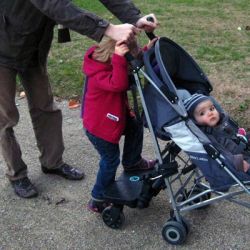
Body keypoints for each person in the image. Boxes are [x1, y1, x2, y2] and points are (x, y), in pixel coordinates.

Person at [0, 0, 158, 198]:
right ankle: (17, 175)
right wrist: (107, 29)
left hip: (32, 48)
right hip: (3, 47)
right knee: (5, 118)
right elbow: (54, 4)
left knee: (46, 107)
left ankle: (52, 162)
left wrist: (134, 17)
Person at [82, 37, 157, 213]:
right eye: (129, 57)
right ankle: (98, 197)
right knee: (110, 160)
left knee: (135, 126)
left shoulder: (112, 62)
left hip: (114, 118)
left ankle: (132, 162)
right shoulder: (98, 72)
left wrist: (146, 50)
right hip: (100, 128)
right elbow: (119, 84)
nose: (130, 62)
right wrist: (119, 59)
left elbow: (132, 64)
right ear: (115, 55)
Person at [183, 93, 250, 174]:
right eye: (202, 113)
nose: (210, 113)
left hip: (242, 144)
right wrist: (238, 162)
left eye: (212, 109)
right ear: (195, 121)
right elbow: (222, 153)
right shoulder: (208, 136)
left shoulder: (222, 121)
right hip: (240, 157)